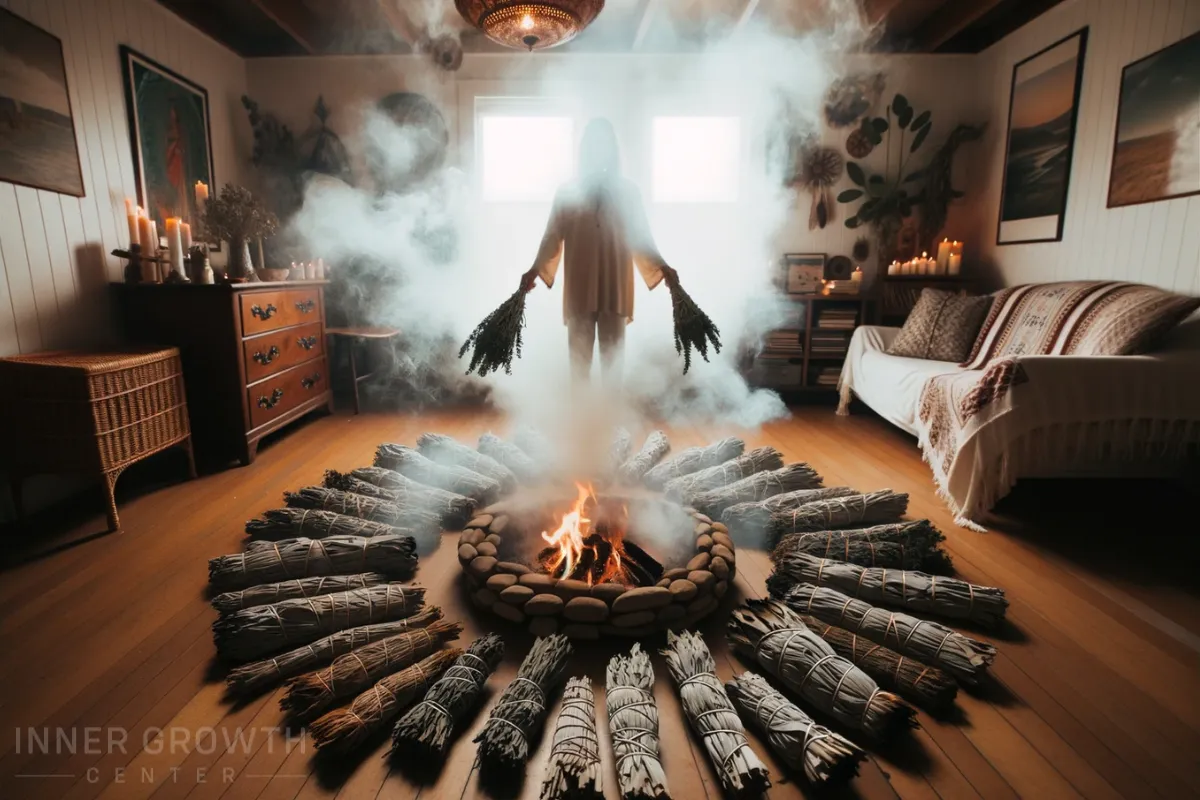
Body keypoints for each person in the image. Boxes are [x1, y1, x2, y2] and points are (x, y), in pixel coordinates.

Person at [520, 118, 677, 385]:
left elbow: (640, 237)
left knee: (613, 365)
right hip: (580, 287)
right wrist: (535, 269)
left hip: (614, 286)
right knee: (579, 364)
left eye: (604, 144)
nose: (599, 150)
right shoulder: (568, 192)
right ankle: (582, 422)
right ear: (584, 150)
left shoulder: (628, 192)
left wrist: (663, 267)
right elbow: (552, 236)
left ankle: (610, 421)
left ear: (612, 149)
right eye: (593, 144)